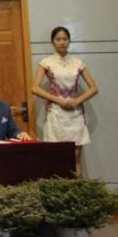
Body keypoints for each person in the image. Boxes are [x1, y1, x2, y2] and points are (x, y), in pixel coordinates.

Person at [32, 26, 98, 175]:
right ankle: (57, 188)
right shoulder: (46, 62)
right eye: (58, 39)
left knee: (76, 156)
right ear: (52, 42)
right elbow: (35, 88)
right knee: (55, 155)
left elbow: (94, 88)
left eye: (65, 39)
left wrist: (77, 100)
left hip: (75, 114)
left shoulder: (78, 62)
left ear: (69, 41)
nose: (62, 42)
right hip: (55, 112)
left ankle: (78, 187)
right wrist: (57, 100)